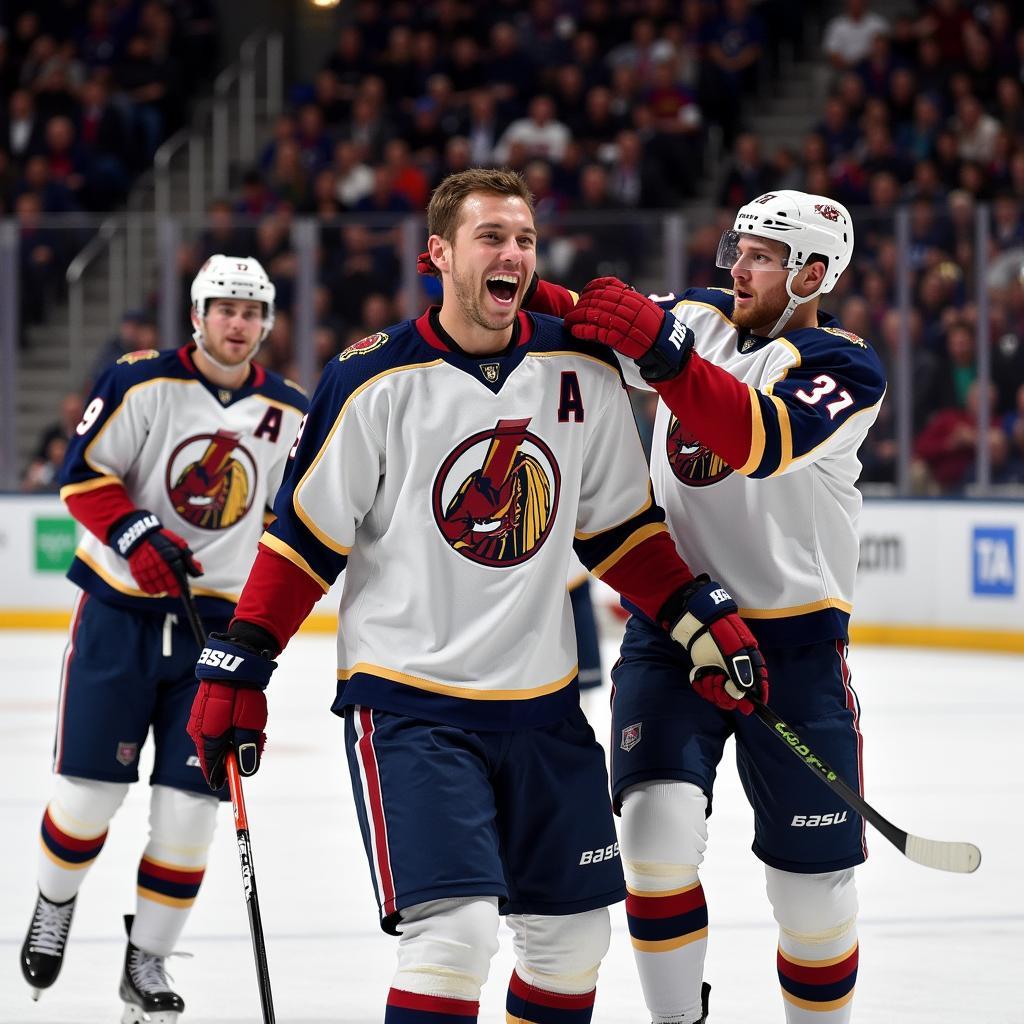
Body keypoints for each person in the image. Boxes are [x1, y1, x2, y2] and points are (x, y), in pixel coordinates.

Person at [185, 169, 767, 1024]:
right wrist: (243, 661)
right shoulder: (374, 379)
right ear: (439, 255)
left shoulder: (579, 367)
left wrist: (696, 613)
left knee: (574, 944)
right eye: (491, 237)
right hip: (413, 706)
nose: (513, 254)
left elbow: (617, 527)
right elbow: (306, 538)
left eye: (526, 239)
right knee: (452, 938)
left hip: (542, 707)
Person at [517, 190, 886, 1023]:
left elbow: (755, 443)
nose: (737, 267)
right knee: (652, 841)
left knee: (813, 897)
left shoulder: (846, 366)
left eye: (761, 256)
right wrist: (506, 278)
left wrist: (667, 357)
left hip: (795, 653)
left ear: (813, 274)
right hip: (675, 631)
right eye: (738, 249)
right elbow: (583, 314)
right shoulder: (696, 318)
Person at [19, 256, 307, 1023]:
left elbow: (301, 516)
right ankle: (54, 901)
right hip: (121, 612)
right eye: (224, 308)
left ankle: (145, 962)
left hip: (217, 632)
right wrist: (135, 529)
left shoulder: (290, 412)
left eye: (251, 311)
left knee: (188, 812)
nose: (237, 323)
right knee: (87, 800)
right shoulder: (139, 381)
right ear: (196, 314)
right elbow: (83, 474)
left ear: (267, 323)